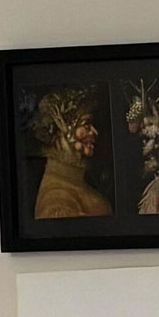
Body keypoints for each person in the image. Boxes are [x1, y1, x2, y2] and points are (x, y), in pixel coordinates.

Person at [29, 88, 113, 219]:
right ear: (62, 127)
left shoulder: (74, 183)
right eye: (86, 125)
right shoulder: (56, 200)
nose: (94, 132)